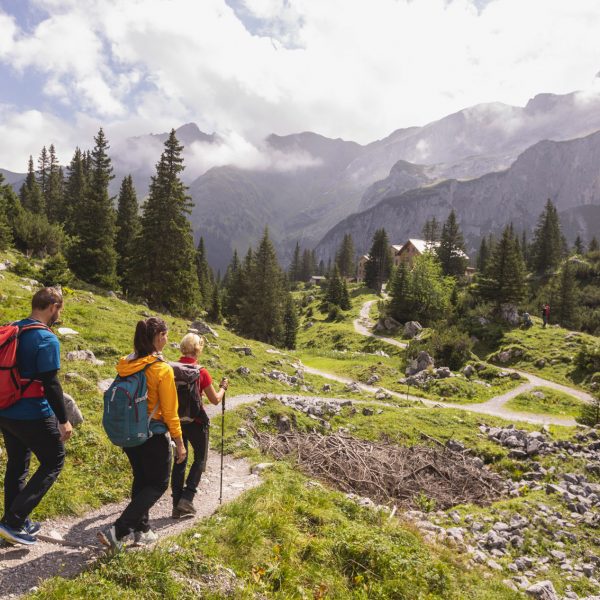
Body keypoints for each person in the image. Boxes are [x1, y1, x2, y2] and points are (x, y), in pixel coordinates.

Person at [98, 317, 186, 551]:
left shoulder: (127, 363)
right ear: (158, 337)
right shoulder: (161, 369)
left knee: (142, 479)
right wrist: (179, 441)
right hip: (152, 435)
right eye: (166, 335)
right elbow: (169, 412)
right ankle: (118, 531)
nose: (168, 339)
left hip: (130, 435)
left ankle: (142, 529)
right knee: (158, 484)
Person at [0, 288, 72, 546]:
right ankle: (14, 521)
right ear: (52, 306)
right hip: (32, 412)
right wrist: (63, 420)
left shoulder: (12, 329)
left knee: (18, 463)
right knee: (54, 461)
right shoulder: (46, 338)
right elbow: (51, 384)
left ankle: (14, 520)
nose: (59, 314)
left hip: (5, 410)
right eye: (59, 309)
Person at [171, 333, 228, 518]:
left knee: (180, 459)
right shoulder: (200, 371)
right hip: (196, 421)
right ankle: (187, 498)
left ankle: (176, 505)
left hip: (176, 422)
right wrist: (223, 388)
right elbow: (215, 400)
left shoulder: (171, 368)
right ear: (198, 349)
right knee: (200, 459)